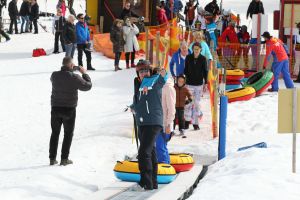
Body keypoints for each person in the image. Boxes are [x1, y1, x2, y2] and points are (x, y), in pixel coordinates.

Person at [131, 60, 168, 190]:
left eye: (146, 70)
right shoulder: (138, 85)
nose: (144, 73)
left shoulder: (154, 80)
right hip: (142, 122)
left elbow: (163, 79)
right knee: (150, 152)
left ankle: (145, 182)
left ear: (150, 71)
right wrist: (133, 107)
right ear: (138, 73)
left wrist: (163, 73)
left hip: (153, 122)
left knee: (143, 152)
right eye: (141, 71)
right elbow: (139, 101)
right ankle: (152, 182)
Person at [49, 56, 92, 166]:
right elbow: (87, 86)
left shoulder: (54, 75)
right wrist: (84, 73)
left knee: (55, 133)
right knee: (68, 134)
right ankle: (64, 159)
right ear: (72, 65)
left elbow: (61, 77)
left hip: (55, 108)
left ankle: (52, 158)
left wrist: (71, 70)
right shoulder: (75, 77)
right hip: (69, 109)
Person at [184, 42, 208, 130]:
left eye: (198, 49)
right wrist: (184, 81)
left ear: (200, 49)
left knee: (197, 104)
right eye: (195, 49)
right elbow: (185, 70)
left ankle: (195, 123)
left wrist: (206, 83)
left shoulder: (203, 59)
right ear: (193, 49)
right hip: (189, 84)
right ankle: (186, 121)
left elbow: (205, 71)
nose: (196, 50)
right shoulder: (188, 57)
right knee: (188, 103)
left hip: (198, 85)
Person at [155, 67, 176, 164]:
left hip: (165, 124)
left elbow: (171, 108)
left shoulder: (168, 87)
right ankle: (164, 165)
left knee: (160, 146)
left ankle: (164, 166)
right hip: (157, 121)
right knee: (160, 146)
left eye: (160, 74)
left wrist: (168, 124)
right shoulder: (157, 86)